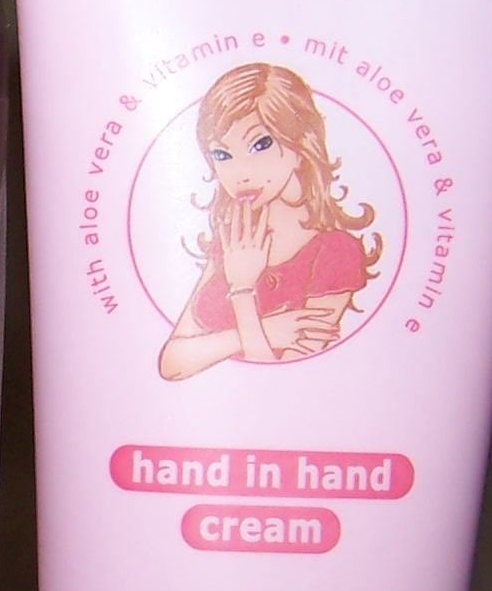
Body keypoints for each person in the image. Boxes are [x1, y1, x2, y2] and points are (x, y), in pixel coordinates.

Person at [157, 62, 381, 382]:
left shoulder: (336, 253)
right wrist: (266, 330)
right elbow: (172, 362)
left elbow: (282, 384)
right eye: (222, 155)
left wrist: (243, 292)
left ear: (301, 146)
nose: (241, 172)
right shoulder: (235, 239)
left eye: (260, 144)